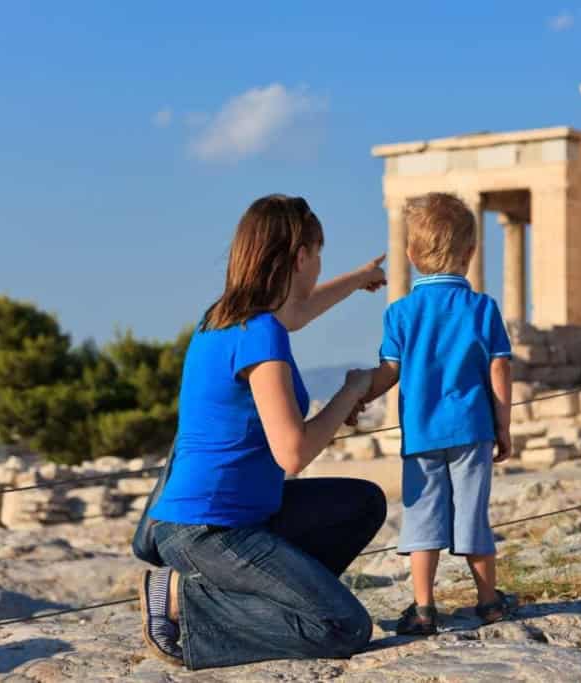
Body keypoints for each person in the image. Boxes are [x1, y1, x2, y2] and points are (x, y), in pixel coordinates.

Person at [136, 194, 388, 669]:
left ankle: (275, 599)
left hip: (243, 515)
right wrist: (350, 392)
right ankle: (180, 603)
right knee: (344, 627)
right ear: (300, 257)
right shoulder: (260, 334)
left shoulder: (226, 317)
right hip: (207, 529)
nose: (318, 265)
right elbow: (293, 454)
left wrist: (359, 280)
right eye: (318, 254)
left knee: (363, 504)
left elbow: (301, 310)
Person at [357, 192, 514, 636]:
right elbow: (498, 367)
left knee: (422, 520)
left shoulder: (400, 312)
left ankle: (424, 609)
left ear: (410, 254)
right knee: (473, 516)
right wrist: (503, 424)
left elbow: (389, 372)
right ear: (471, 253)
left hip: (422, 435)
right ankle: (489, 603)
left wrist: (357, 398)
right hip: (472, 430)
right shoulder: (483, 308)